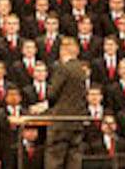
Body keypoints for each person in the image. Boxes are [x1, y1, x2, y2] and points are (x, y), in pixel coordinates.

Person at [43, 37, 87, 169]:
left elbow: (51, 94)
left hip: (61, 120)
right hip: (77, 119)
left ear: (63, 50)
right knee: (74, 158)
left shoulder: (63, 68)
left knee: (55, 158)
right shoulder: (81, 69)